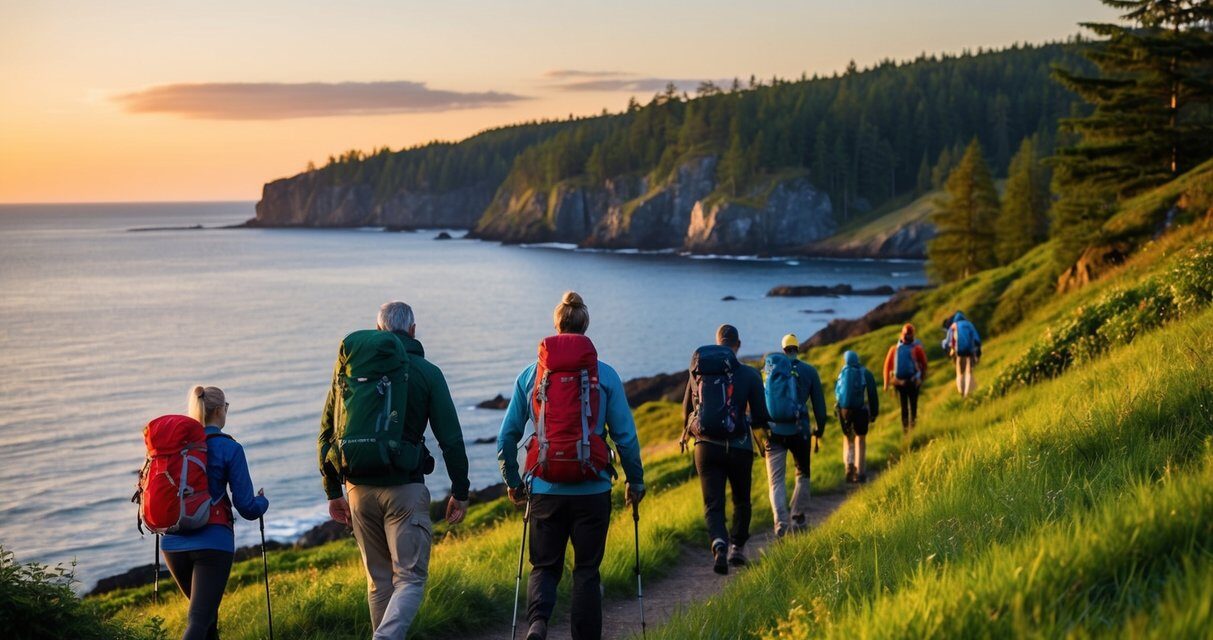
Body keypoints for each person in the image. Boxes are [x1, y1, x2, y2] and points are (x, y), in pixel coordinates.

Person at [497, 292, 644, 640]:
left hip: (545, 487)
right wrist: (635, 482)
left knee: (545, 566)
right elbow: (626, 438)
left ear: (556, 325)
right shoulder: (605, 375)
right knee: (587, 572)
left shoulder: (530, 375)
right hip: (593, 488)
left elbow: (506, 437)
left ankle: (537, 623)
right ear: (585, 326)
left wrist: (512, 481)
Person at [319, 301, 471, 640]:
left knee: (379, 581)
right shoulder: (427, 372)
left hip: (357, 490)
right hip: (405, 489)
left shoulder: (349, 372)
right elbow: (451, 439)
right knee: (410, 579)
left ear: (377, 331)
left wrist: (332, 491)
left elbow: (327, 432)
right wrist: (460, 491)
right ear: (413, 331)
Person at [162, 385, 269, 640]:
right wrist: (263, 503)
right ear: (221, 410)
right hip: (213, 543)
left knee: (207, 620)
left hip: (173, 543)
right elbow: (247, 508)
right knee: (199, 621)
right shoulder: (230, 448)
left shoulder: (178, 447)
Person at [682, 324, 770, 574]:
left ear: (717, 342)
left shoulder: (699, 372)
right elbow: (761, 416)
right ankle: (737, 549)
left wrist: (689, 430)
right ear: (738, 345)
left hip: (706, 448)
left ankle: (718, 544)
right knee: (741, 499)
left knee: (713, 502)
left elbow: (686, 409)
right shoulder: (750, 375)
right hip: (740, 447)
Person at [761, 334, 827, 538]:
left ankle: (780, 523)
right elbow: (820, 407)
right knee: (802, 472)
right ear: (797, 349)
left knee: (776, 480)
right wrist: (820, 430)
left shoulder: (769, 372)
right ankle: (798, 517)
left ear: (783, 350)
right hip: (800, 430)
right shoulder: (809, 371)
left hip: (773, 432)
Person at [834, 351, 879, 483]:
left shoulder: (842, 373)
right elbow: (872, 395)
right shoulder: (865, 373)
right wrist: (874, 412)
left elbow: (837, 393)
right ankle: (860, 473)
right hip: (860, 411)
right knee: (861, 439)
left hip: (844, 411)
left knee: (848, 438)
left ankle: (848, 468)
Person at [883, 324, 928, 432]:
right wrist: (921, 378)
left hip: (900, 383)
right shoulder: (917, 348)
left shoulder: (894, 349)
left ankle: (906, 431)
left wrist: (886, 383)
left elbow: (887, 367)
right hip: (912, 381)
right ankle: (912, 429)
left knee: (904, 407)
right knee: (913, 406)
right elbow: (924, 364)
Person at [942, 311, 982, 397]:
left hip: (959, 353)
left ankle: (961, 393)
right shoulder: (969, 324)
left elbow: (946, 343)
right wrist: (977, 353)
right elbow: (977, 339)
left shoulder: (953, 326)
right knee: (968, 373)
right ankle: (967, 394)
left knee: (959, 373)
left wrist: (949, 352)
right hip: (969, 352)